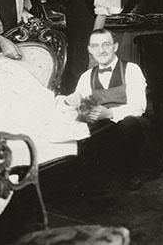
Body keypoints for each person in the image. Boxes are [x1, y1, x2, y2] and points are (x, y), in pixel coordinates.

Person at [58, 28, 147, 186]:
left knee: (129, 124)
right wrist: (76, 102)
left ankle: (130, 174)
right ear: (90, 50)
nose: (101, 50)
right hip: (104, 128)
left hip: (130, 124)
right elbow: (84, 108)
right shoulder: (86, 76)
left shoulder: (132, 69)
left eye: (106, 45)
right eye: (96, 46)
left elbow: (139, 107)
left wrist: (110, 113)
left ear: (115, 46)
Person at [48, 0, 118, 90]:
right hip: (75, 37)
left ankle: (86, 108)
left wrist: (95, 42)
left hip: (86, 39)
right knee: (72, 74)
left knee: (85, 77)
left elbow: (101, 15)